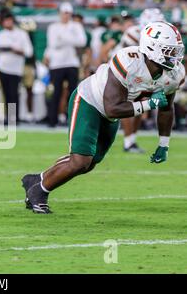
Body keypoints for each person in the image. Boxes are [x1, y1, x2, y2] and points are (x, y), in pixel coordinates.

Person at [21, 21, 185, 214]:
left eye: (176, 51)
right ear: (152, 48)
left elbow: (166, 109)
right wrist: (150, 103)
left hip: (112, 113)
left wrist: (164, 144)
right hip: (90, 101)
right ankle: (38, 192)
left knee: (88, 164)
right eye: (168, 50)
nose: (174, 56)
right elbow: (113, 108)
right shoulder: (128, 60)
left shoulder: (174, 74)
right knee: (80, 161)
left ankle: (36, 180)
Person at [118, 8, 166, 153]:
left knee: (141, 106)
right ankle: (128, 142)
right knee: (127, 106)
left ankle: (131, 140)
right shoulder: (133, 33)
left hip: (142, 73)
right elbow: (131, 57)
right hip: (124, 71)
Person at [45, 2, 86, 127]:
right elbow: (53, 44)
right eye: (64, 13)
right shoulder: (53, 27)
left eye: (68, 13)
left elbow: (82, 42)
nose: (66, 16)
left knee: (72, 93)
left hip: (72, 63)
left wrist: (63, 38)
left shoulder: (76, 26)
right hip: (56, 64)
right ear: (60, 14)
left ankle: (72, 120)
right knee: (55, 93)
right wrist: (71, 39)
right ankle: (53, 120)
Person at [0, 9, 33, 124]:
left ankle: (15, 118)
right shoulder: (1, 34)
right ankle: (9, 117)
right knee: (6, 94)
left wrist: (17, 51)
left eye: (9, 20)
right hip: (2, 68)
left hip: (15, 69)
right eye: (5, 21)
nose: (7, 23)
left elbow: (29, 52)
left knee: (14, 94)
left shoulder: (22, 34)